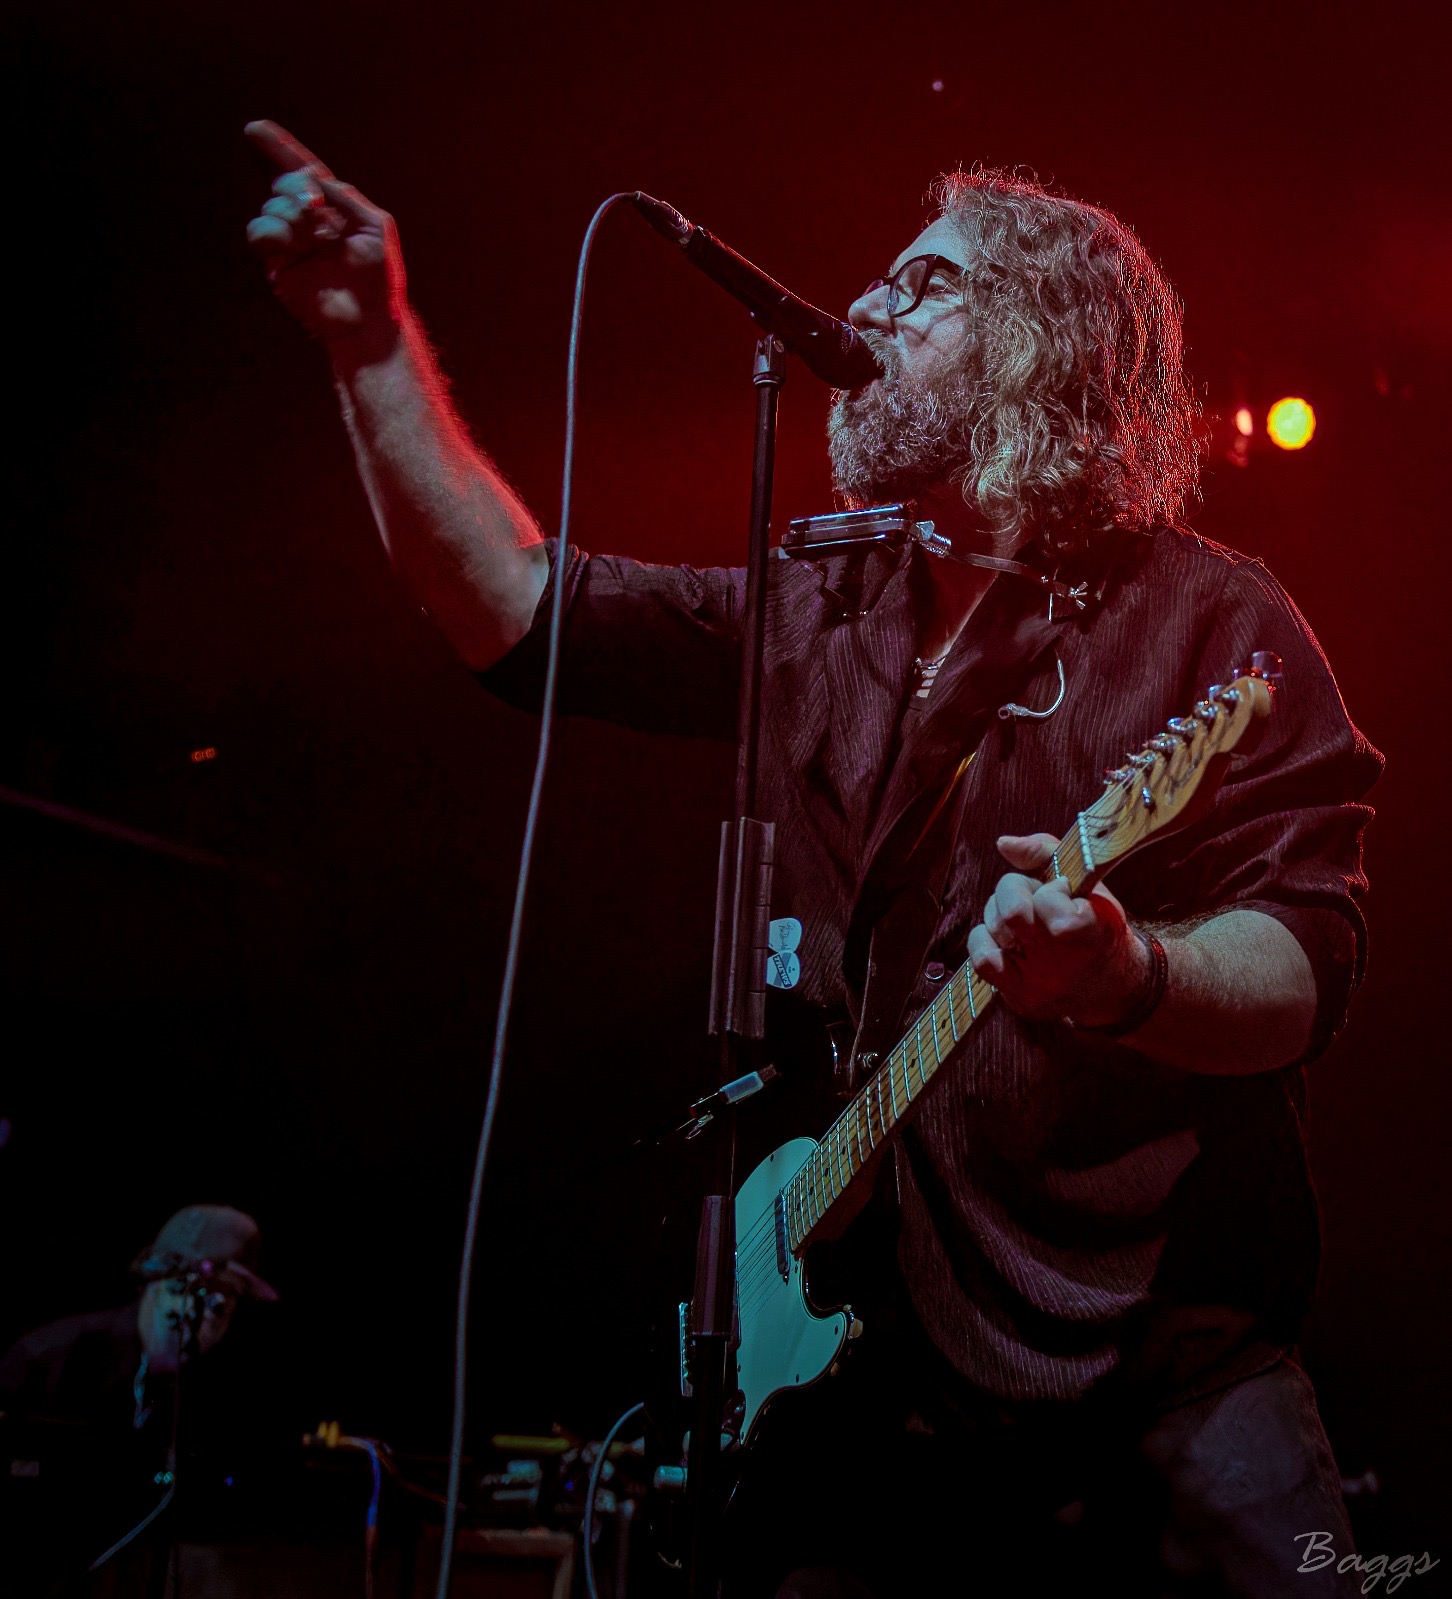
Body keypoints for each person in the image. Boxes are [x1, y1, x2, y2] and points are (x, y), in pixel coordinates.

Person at [243, 121, 1381, 1597]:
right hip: (878, 1377)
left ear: (1046, 341)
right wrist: (369, 342)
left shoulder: (1212, 621)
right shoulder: (823, 606)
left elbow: (1305, 960)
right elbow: (519, 610)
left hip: (1168, 1376)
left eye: (928, 282)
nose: (865, 305)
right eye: (881, 277)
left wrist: (1130, 973)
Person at [0, 1204, 278, 1594]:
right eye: (197, 1290)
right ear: (156, 1282)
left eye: (228, 1297)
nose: (212, 1312)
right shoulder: (51, 1360)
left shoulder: (204, 1395)